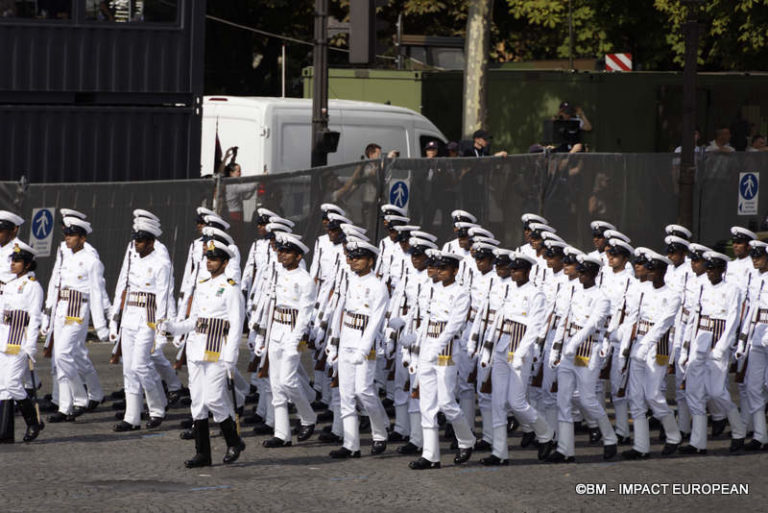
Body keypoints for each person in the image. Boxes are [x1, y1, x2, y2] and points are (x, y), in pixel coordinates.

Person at [159, 239, 245, 468]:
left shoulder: (231, 288)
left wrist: (231, 357)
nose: (209, 262)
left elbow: (236, 325)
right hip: (197, 349)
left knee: (215, 398)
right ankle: (203, 454)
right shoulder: (203, 285)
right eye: (208, 258)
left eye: (214, 259)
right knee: (197, 402)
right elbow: (194, 321)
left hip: (217, 350)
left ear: (225, 262)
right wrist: (173, 327)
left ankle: (234, 441)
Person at [479, 251, 555, 465]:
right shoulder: (507, 289)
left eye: (517, 270)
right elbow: (498, 320)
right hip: (502, 345)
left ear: (528, 271)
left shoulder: (536, 294)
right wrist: (488, 347)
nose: (513, 273)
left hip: (519, 348)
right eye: (512, 269)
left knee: (517, 402)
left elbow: (535, 327)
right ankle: (499, 452)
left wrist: (521, 353)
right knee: (497, 402)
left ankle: (546, 433)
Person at [408, 252, 475, 470]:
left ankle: (466, 440)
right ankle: (430, 456)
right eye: (438, 268)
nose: (439, 272)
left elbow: (455, 325)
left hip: (446, 348)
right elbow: (428, 319)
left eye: (444, 269)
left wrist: (436, 346)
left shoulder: (461, 293)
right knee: (426, 404)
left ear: (455, 271)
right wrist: (416, 338)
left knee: (446, 402)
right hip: (428, 344)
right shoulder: (433, 289)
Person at [547, 254, 617, 463]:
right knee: (563, 399)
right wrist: (555, 348)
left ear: (595, 274)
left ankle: (610, 438)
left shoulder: (602, 297)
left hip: (588, 348)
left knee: (587, 399)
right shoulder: (574, 292)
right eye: (580, 272)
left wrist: (573, 343)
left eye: (585, 273)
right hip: (569, 348)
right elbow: (564, 322)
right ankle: (565, 449)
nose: (581, 276)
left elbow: (592, 325)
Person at [325, 240, 389, 459]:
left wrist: (363, 348)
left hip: (365, 341)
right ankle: (350, 444)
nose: (354, 262)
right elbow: (340, 312)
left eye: (359, 258)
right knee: (345, 394)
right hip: (347, 337)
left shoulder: (378, 286)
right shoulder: (350, 281)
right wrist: (334, 342)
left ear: (370, 261)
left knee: (364, 390)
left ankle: (380, 433)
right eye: (351, 258)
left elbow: (376, 320)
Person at [679, 251, 745, 454]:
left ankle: (739, 429)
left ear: (722, 270)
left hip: (718, 341)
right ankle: (698, 443)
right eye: (708, 268)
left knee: (716, 392)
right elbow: (693, 319)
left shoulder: (732, 289)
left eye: (714, 269)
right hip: (700, 341)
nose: (710, 272)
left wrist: (722, 346)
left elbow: (733, 318)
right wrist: (685, 348)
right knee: (693, 392)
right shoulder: (701, 287)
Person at [44, 217, 109, 423]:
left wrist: (100, 325)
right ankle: (65, 406)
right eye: (66, 235)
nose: (67, 238)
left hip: (77, 311)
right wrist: (49, 313)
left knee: (64, 354)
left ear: (82, 238)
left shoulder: (91, 261)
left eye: (72, 235)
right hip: (62, 309)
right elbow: (56, 285)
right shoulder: (65, 256)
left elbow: (97, 294)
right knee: (59, 358)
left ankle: (80, 398)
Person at [619, 251, 682, 460]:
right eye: (649, 268)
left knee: (652, 394)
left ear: (663, 271)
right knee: (635, 396)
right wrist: (624, 348)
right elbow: (632, 318)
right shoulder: (642, 290)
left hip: (658, 347)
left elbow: (663, 325)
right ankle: (641, 446)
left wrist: (645, 345)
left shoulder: (673, 295)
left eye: (654, 269)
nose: (651, 273)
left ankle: (673, 435)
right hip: (638, 344)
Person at [110, 221, 171, 432]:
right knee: (128, 369)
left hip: (148, 318)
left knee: (140, 365)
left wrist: (161, 331)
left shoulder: (161, 263)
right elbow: (124, 287)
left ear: (152, 242)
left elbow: (163, 298)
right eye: (135, 239)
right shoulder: (133, 259)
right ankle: (132, 417)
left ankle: (157, 409)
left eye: (141, 240)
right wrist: (115, 318)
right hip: (130, 316)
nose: (137, 244)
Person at [259, 233, 318, 448]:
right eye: (280, 251)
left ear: (299, 255)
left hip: (293, 332)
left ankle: (308, 417)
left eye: (287, 252)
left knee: (287, 380)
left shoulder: (305, 280)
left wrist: (295, 341)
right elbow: (270, 305)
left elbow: (305, 314)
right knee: (275, 384)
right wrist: (263, 336)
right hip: (276, 329)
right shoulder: (276, 274)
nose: (282, 255)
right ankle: (282, 434)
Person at [0, 241, 45, 443]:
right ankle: (5, 432)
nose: (13, 264)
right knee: (2, 386)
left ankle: (33, 422)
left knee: (12, 384)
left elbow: (35, 317)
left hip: (20, 339)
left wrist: (31, 347)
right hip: (4, 336)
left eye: (17, 261)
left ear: (27, 265)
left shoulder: (32, 286)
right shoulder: (9, 285)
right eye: (12, 260)